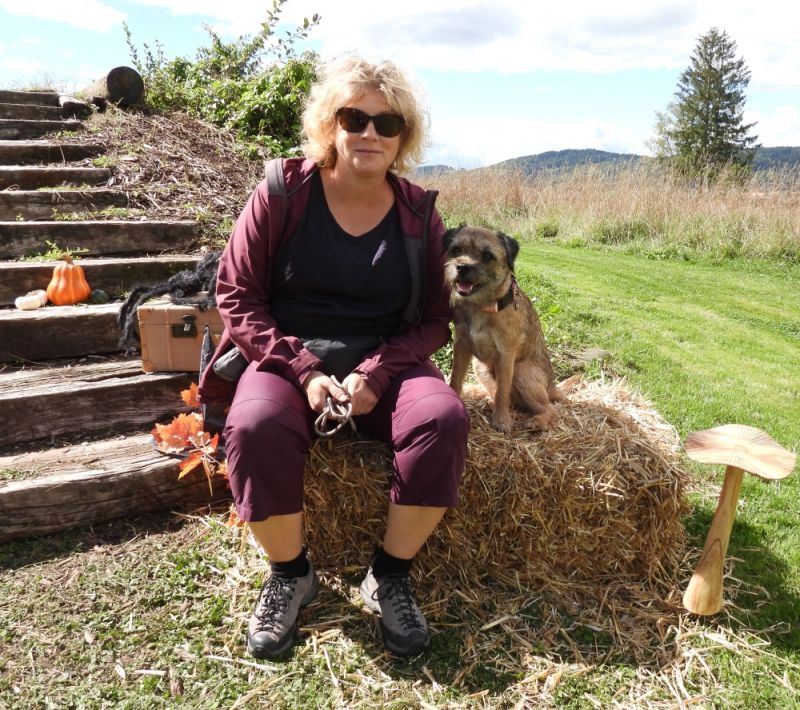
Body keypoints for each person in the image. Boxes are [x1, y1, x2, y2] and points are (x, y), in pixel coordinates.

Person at [198, 55, 470, 660]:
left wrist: (377, 373)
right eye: (354, 118)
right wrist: (305, 371)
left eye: (387, 123)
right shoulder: (282, 193)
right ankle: (290, 574)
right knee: (254, 425)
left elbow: (434, 318)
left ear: (403, 137)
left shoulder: (418, 214)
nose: (370, 133)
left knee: (443, 419)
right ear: (330, 123)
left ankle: (389, 575)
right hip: (287, 353)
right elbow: (236, 295)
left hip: (385, 359)